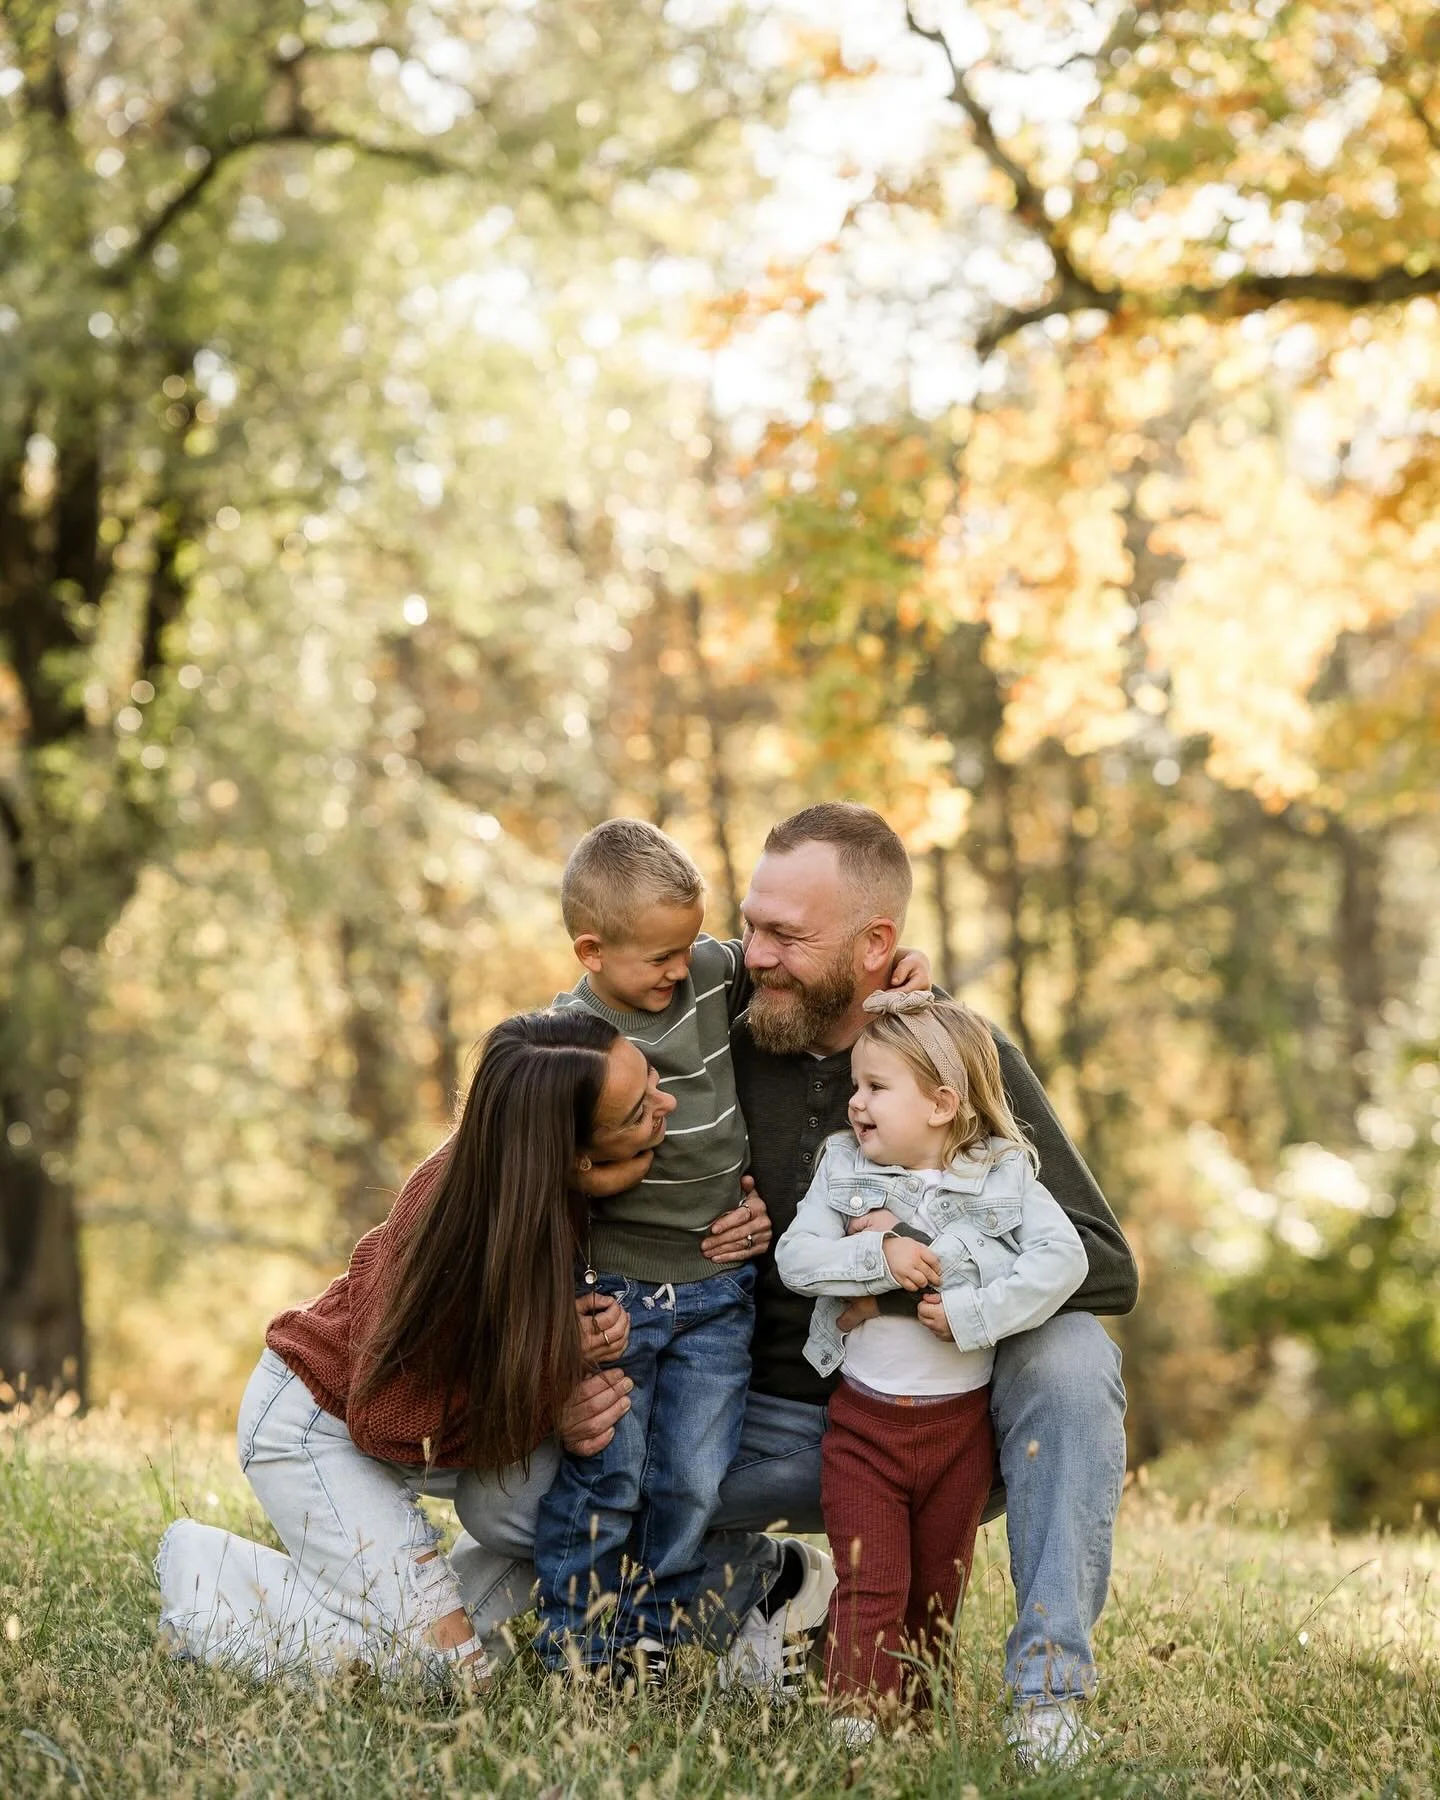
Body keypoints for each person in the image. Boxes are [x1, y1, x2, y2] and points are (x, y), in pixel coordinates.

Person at [457, 803, 1137, 1771]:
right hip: (741, 1413)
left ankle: (1049, 1698)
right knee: (505, 1504)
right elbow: (551, 1118)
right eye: (750, 926)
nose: (753, 955)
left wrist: (899, 1268)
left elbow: (1102, 1260)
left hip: (935, 1417)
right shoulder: (704, 1024)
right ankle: (770, 1586)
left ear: (876, 946)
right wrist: (571, 1330)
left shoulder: (950, 1056)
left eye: (785, 935)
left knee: (1073, 1357)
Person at [154, 1008, 663, 1683]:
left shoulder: (537, 1178)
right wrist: (550, 1384)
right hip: (314, 1425)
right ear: (570, 1153)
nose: (666, 1105)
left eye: (653, 1080)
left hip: (403, 1421)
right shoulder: (457, 1222)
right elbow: (386, 1421)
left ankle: (398, 1612)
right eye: (637, 1113)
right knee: (451, 1676)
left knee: (438, 1647)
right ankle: (205, 1577)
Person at [533, 819, 929, 1682]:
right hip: (622, 1292)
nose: (694, 967)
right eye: (661, 957)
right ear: (592, 952)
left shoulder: (709, 974)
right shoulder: (568, 1042)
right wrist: (558, 1313)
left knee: (690, 1480)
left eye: (693, 947)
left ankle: (655, 1635)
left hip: (719, 1301)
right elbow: (529, 1194)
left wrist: (898, 974)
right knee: (605, 1476)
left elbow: (826, 974)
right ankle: (578, 1644)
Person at [774, 988, 1088, 1741]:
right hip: (865, 1427)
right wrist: (877, 1254)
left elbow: (1065, 1258)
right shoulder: (843, 1167)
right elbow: (797, 1258)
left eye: (876, 1087)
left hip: (958, 1433)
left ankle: (918, 1728)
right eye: (856, 1084)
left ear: (943, 1103)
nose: (855, 1102)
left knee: (937, 1590)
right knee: (872, 1581)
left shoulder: (1005, 1175)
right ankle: (854, 1725)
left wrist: (974, 1313)